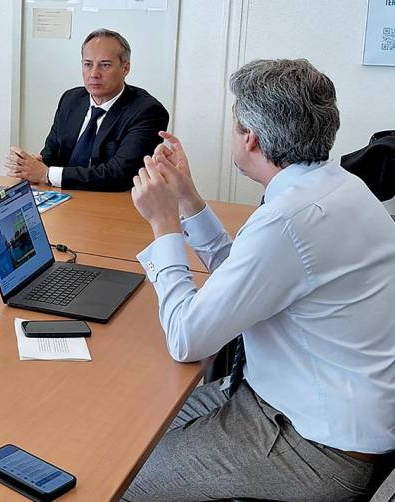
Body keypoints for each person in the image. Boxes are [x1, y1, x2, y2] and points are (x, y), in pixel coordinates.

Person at [124, 59, 395, 500]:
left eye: (234, 123)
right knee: (133, 431)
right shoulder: (338, 186)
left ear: (249, 137)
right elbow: (251, 274)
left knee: (120, 476)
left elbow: (186, 338)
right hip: (316, 410)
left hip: (314, 447)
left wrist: (164, 224)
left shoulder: (289, 220)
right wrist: (188, 197)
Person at [5, 29, 168, 191]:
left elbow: (120, 175)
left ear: (125, 68)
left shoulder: (148, 112)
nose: (94, 74)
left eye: (105, 65)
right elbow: (51, 154)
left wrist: (46, 174)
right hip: (65, 197)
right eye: (88, 64)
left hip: (114, 203)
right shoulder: (71, 100)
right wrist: (31, 164)